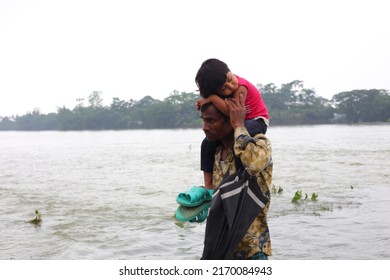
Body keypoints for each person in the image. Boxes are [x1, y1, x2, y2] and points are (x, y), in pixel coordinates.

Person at [199, 93, 273, 260]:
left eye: (211, 121)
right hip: (221, 248)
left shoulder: (258, 143)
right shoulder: (216, 152)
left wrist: (239, 125)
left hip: (251, 252)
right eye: (203, 120)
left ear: (230, 120)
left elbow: (254, 164)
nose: (204, 127)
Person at [195, 58, 269, 191]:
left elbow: (233, 113)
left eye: (229, 79)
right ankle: (208, 187)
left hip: (256, 120)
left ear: (229, 70)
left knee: (239, 141)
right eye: (224, 88)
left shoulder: (241, 87)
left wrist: (211, 98)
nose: (231, 86)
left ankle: (238, 180)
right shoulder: (218, 148)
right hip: (240, 122)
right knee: (206, 144)